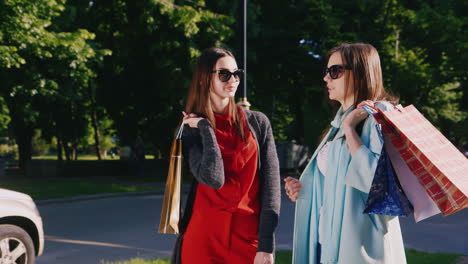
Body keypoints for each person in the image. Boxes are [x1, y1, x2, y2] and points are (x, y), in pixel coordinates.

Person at [284, 43, 406, 264]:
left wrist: (351, 131)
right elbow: (335, 186)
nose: (326, 79)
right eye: (327, 71)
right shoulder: (337, 124)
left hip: (360, 249)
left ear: (360, 73)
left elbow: (380, 187)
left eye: (335, 71)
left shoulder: (380, 116)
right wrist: (304, 190)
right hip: (327, 244)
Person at [171, 47, 281, 264]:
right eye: (224, 74)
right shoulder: (191, 129)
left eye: (236, 73)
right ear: (204, 79)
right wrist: (205, 127)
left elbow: (271, 188)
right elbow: (214, 178)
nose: (233, 79)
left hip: (248, 237)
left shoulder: (258, 123)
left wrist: (266, 245)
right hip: (204, 238)